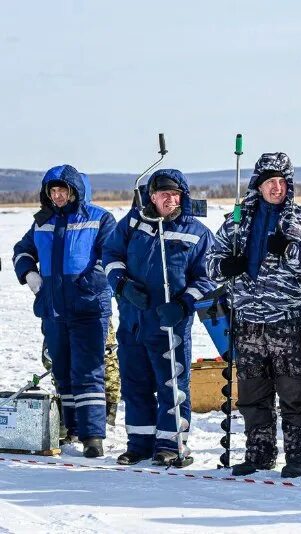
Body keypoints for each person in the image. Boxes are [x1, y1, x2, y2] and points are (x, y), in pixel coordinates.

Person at [207, 152, 301, 478]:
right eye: (270, 181)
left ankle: (300, 458)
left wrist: (290, 249)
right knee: (252, 396)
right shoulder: (236, 222)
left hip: (287, 321)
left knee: (295, 394)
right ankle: (259, 455)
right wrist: (225, 265)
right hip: (247, 322)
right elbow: (211, 264)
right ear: (258, 185)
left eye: (282, 181)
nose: (276, 187)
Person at [103, 169, 214, 467]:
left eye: (175, 193)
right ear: (151, 196)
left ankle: (170, 444)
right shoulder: (134, 223)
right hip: (133, 321)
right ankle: (139, 443)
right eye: (163, 193)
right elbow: (110, 255)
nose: (170, 198)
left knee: (172, 386)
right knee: (135, 384)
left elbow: (208, 278)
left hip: (169, 326)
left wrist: (183, 304)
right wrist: (123, 285)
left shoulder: (197, 232)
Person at [12, 164, 116, 457]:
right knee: (63, 372)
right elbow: (21, 251)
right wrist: (30, 275)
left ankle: (93, 435)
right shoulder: (42, 222)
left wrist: (85, 285)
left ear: (75, 191)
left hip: (89, 309)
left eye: (62, 190)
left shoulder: (99, 218)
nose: (57, 196)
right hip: (53, 309)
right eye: (53, 191)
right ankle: (71, 428)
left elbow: (109, 257)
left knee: (89, 371)